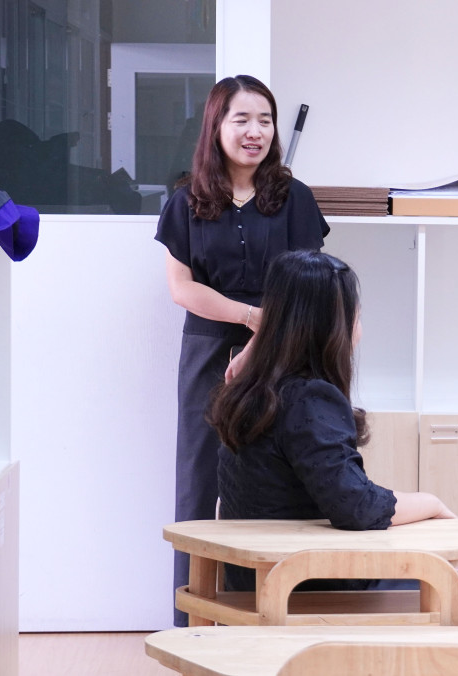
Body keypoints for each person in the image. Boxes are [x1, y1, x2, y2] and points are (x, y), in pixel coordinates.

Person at [155, 75, 330, 625]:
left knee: (283, 479)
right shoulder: (186, 200)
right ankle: (191, 622)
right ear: (216, 126)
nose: (255, 131)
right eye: (242, 120)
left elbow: (308, 284)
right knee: (197, 482)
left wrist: (262, 342)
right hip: (209, 349)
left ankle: (280, 613)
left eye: (265, 120)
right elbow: (183, 289)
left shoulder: (295, 198)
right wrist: (250, 318)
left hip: (286, 350)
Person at [207, 250, 458, 592]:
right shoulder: (309, 399)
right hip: (303, 584)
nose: (359, 331)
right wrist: (431, 503)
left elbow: (345, 494)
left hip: (255, 580)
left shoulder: (251, 392)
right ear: (331, 328)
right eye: (356, 317)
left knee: (448, 578)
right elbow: (355, 506)